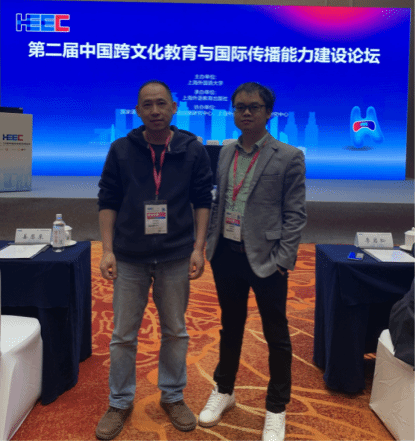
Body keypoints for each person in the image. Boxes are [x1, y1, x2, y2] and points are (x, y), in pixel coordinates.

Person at [96, 80, 212, 440]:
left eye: (162, 103)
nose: (155, 110)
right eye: (147, 104)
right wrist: (107, 249)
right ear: (138, 111)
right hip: (129, 255)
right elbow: (108, 200)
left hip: (176, 254)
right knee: (122, 334)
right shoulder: (121, 149)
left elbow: (202, 200)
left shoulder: (192, 149)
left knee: (175, 331)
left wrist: (198, 247)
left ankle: (172, 396)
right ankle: (119, 401)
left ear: (174, 107)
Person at [199, 82, 307, 441]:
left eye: (254, 107)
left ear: (268, 112)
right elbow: (219, 201)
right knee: (230, 327)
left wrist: (283, 260)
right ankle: (224, 390)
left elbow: (295, 214)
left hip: (267, 260)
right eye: (240, 107)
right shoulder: (225, 151)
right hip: (226, 255)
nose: (246, 112)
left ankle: (276, 408)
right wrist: (210, 244)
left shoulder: (288, 155)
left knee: (277, 335)